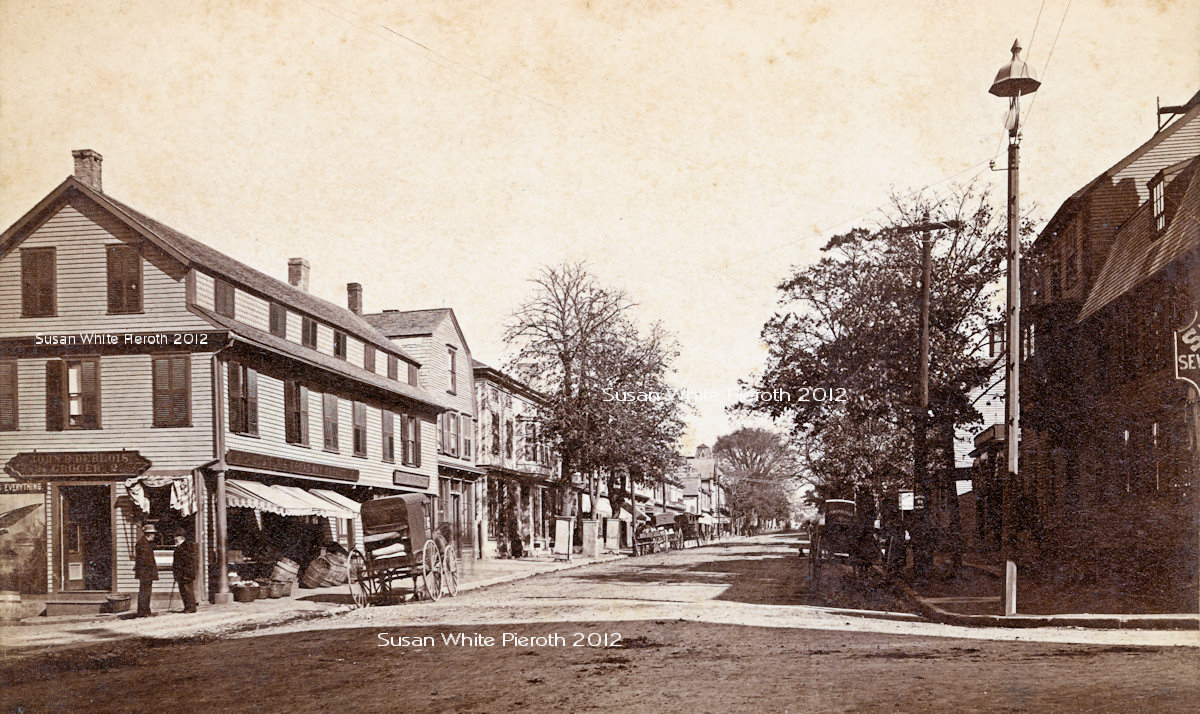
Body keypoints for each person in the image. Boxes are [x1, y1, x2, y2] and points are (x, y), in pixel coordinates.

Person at [134, 523, 158, 617]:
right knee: (145, 592)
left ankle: (145, 611)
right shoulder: (143, 543)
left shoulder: (145, 542)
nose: (154, 536)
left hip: (146, 572)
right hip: (145, 572)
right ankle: (143, 612)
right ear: (148, 534)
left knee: (146, 592)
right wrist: (151, 570)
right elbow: (145, 560)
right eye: (153, 534)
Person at [172, 532, 198, 613]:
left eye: (176, 537)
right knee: (183, 591)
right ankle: (187, 607)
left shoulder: (186, 547)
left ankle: (191, 608)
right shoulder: (179, 547)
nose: (175, 539)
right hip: (180, 574)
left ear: (181, 538)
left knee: (188, 590)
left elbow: (188, 562)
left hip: (186, 574)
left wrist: (187, 573)